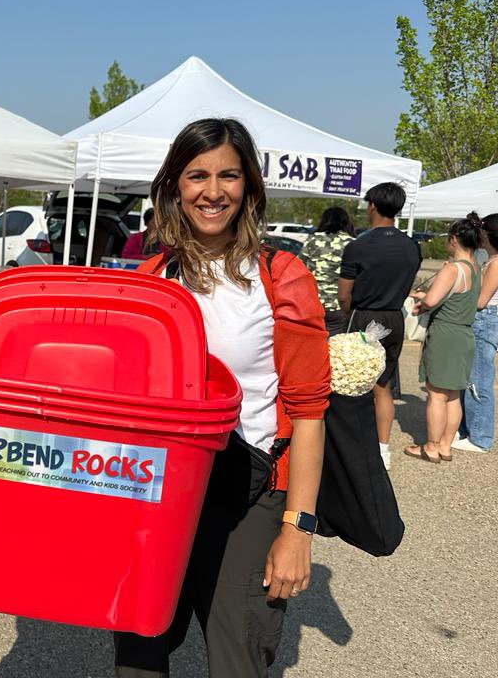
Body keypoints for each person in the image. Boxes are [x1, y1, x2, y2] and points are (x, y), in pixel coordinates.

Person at [118, 118, 330, 678]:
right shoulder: (151, 278)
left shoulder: (279, 276)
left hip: (247, 491)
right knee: (139, 649)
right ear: (174, 187)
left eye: (229, 175)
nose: (213, 191)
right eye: (197, 175)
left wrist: (297, 529)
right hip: (156, 490)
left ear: (250, 187)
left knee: (239, 654)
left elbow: (309, 414)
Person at [337, 183, 421, 470]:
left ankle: (352, 447)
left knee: (353, 383)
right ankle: (382, 449)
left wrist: (349, 315)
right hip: (394, 317)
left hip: (363, 316)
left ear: (372, 205)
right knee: (383, 386)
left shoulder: (358, 246)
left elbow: (344, 294)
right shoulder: (411, 246)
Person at [405, 213, 482, 464]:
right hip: (464, 333)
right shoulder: (476, 268)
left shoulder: (453, 268)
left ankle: (431, 446)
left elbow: (430, 300)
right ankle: (446, 446)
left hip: (445, 333)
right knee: (452, 395)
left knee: (436, 393)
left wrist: (417, 297)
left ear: (454, 240)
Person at [456, 213, 498, 453]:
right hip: (480, 322)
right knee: (471, 379)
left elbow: (481, 301)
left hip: (482, 322)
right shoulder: (492, 260)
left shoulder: (496, 263)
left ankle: (480, 438)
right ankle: (468, 431)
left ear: (488, 234)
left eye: (482, 230)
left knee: (479, 382)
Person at [301, 206, 356, 336]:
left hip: (313, 305)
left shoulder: (312, 240)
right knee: (336, 351)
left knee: (313, 347)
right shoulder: (352, 243)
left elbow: (299, 267)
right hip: (340, 307)